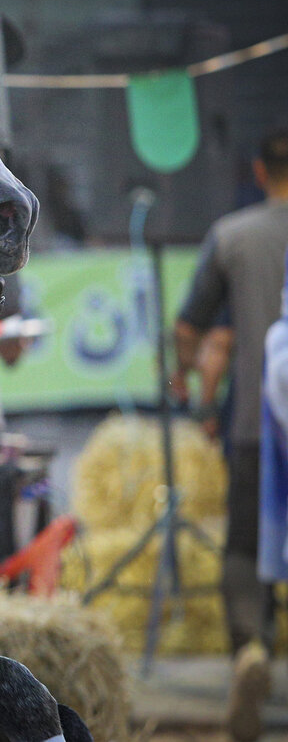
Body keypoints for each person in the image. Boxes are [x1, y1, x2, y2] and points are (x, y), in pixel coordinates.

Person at [173, 128, 288, 742]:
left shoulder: (233, 236)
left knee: (246, 548)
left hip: (258, 429)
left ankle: (251, 647)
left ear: (257, 167)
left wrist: (189, 386)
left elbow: (191, 328)